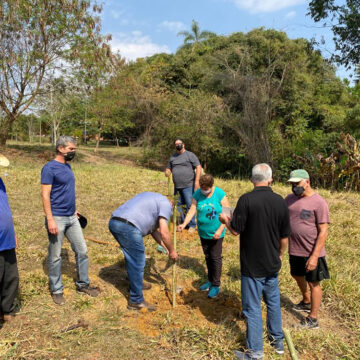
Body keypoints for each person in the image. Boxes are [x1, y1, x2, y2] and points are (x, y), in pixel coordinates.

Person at [220, 164, 290, 360]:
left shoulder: (246, 200)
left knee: (252, 308)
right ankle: (277, 342)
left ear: (251, 180)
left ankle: (255, 352)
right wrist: (280, 255)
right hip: (272, 263)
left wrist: (225, 220)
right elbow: (285, 237)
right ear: (271, 179)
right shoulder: (280, 202)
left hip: (252, 265)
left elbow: (235, 230)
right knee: (273, 302)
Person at [41, 136, 99, 305]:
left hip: (71, 217)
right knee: (55, 256)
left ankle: (83, 284)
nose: (73, 152)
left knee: (82, 251)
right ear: (60, 148)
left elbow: (65, 191)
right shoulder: (49, 168)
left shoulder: (68, 167)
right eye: (71, 149)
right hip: (56, 218)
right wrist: (50, 219)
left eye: (74, 149)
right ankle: (57, 289)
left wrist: (74, 210)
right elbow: (45, 194)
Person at [108, 192, 179, 312]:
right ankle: (136, 300)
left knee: (132, 257)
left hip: (115, 222)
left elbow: (154, 231)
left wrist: (166, 248)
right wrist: (172, 251)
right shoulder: (166, 205)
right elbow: (164, 232)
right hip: (128, 226)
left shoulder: (152, 199)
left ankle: (136, 283)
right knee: (138, 260)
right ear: (172, 205)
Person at [286, 169, 330, 330]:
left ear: (307, 182)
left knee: (314, 283)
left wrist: (314, 256)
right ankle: (306, 301)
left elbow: (323, 231)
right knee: (296, 274)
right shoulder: (290, 199)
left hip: (311, 252)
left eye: (297, 184)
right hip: (295, 249)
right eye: (292, 184)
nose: (294, 187)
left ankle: (313, 318)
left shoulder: (319, 202)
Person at [177, 174, 230, 298]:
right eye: (202, 187)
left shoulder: (219, 194)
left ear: (211, 186)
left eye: (206, 188)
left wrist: (220, 229)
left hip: (217, 232)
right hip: (203, 232)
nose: (204, 190)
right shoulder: (197, 194)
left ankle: (216, 285)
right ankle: (210, 281)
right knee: (207, 256)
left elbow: (227, 213)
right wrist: (184, 224)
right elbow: (192, 210)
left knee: (215, 257)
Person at [165, 138, 202, 232]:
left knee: (190, 205)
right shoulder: (173, 157)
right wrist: (167, 172)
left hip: (189, 185)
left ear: (183, 145)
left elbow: (198, 167)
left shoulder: (190, 155)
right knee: (180, 206)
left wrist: (197, 181)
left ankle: (192, 225)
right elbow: (169, 168)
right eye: (176, 144)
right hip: (177, 186)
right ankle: (184, 223)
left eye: (179, 144)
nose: (178, 145)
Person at [0, 153, 19, 322]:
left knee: (11, 277)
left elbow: (5, 209)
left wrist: (12, 233)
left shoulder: (0, 183)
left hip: (7, 239)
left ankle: (8, 310)